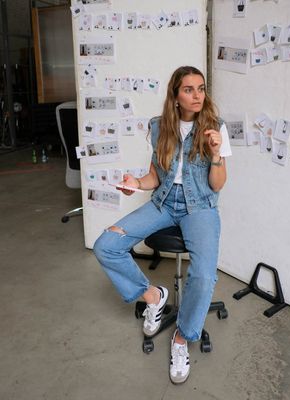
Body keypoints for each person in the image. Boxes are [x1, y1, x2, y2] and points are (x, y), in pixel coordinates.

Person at [93, 66, 232, 384]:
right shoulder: (159, 128)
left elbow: (218, 184)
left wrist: (215, 155)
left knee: (204, 274)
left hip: (201, 207)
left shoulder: (215, 129)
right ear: (175, 95)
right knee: (106, 245)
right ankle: (154, 296)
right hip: (164, 202)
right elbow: (156, 176)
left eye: (201, 89)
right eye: (189, 89)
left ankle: (182, 338)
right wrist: (135, 183)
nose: (197, 96)